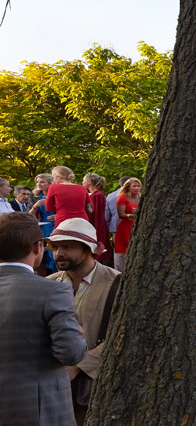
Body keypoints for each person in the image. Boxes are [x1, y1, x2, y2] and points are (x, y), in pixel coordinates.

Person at [0, 212, 88, 426]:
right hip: (38, 409)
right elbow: (71, 353)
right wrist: (77, 334)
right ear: (37, 247)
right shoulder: (52, 291)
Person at [47, 218, 122, 425]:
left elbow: (121, 335)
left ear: (88, 249)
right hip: (51, 385)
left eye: (68, 247)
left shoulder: (115, 283)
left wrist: (78, 366)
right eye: (56, 247)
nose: (59, 253)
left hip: (94, 387)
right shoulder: (49, 284)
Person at [114, 177, 143, 271]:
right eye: (134, 186)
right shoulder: (123, 198)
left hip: (138, 225)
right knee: (124, 249)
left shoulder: (141, 197)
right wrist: (131, 214)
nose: (136, 188)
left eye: (138, 186)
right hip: (125, 227)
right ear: (128, 187)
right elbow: (121, 215)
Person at [82, 173, 111, 264]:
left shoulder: (97, 195)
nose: (82, 182)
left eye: (84, 180)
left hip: (96, 224)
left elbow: (95, 213)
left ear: (89, 182)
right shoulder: (94, 195)